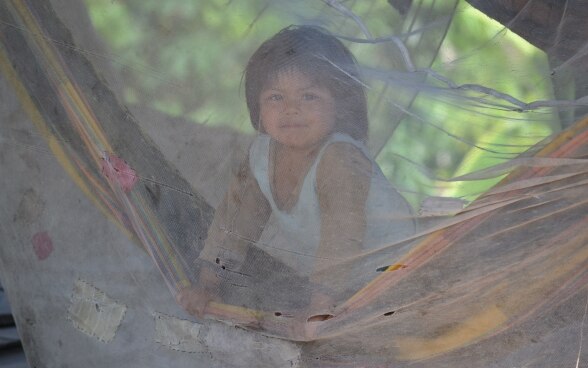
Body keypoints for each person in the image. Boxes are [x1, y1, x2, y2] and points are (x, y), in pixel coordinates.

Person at [177, 25, 416, 329]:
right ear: (257, 106)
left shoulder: (339, 157)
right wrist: (207, 285)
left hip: (397, 271)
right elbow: (234, 223)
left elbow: (341, 235)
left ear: (340, 105)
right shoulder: (261, 154)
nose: (291, 110)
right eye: (276, 97)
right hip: (343, 282)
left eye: (309, 97)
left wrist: (320, 305)